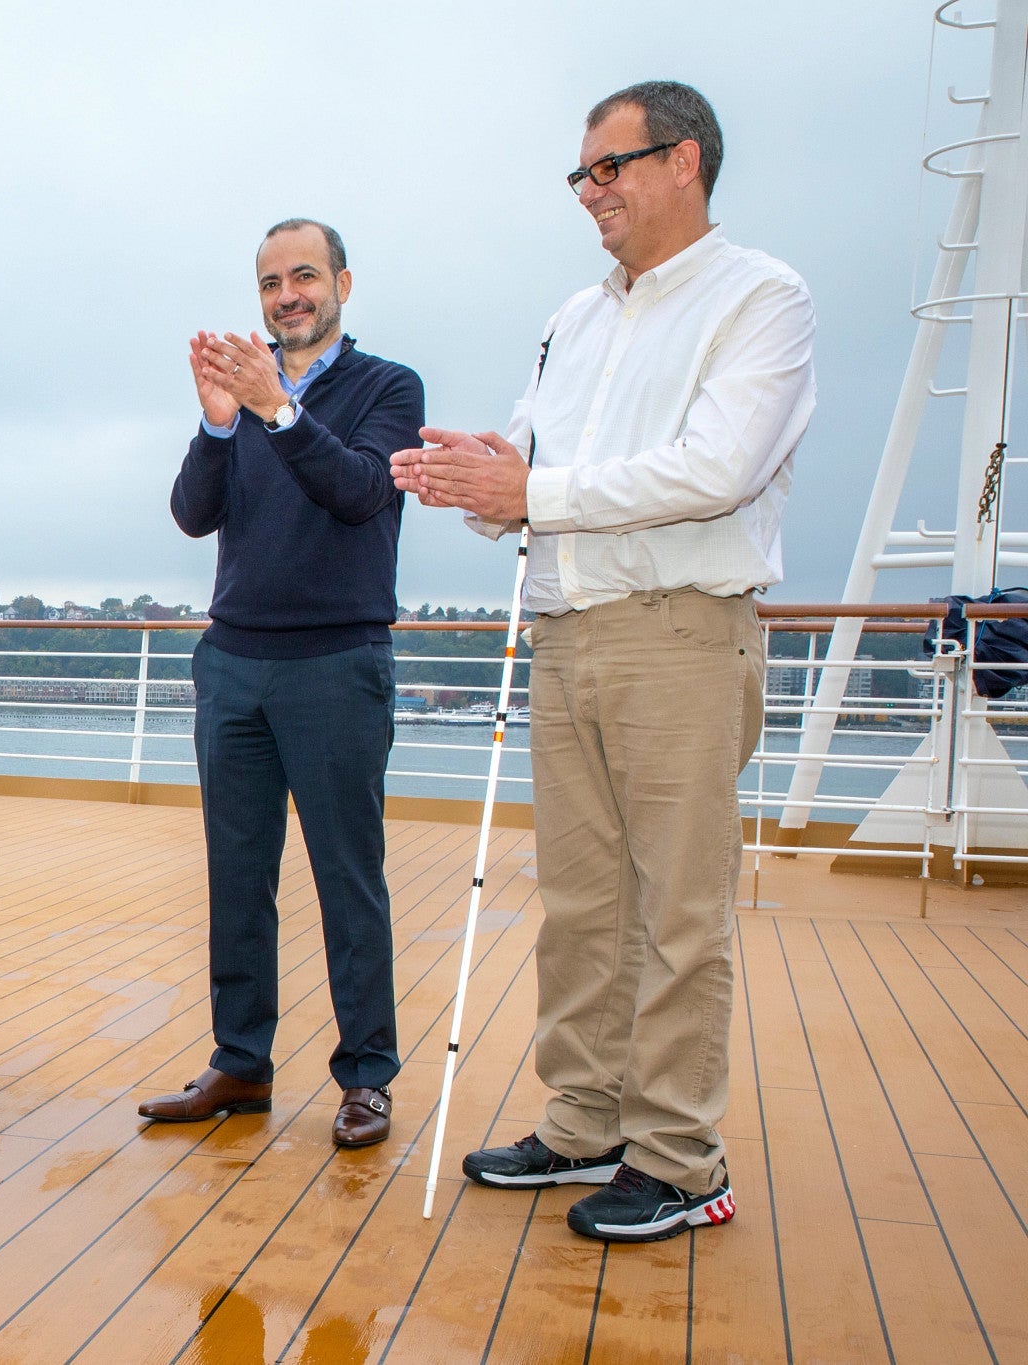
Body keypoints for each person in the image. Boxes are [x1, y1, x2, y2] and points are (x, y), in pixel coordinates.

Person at [391, 81, 814, 1241]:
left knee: (679, 912)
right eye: (579, 175)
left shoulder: (760, 299)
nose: (589, 193)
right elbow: (535, 459)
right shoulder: (572, 318)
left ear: (683, 163)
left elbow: (712, 468)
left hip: (679, 632)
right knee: (578, 904)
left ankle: (679, 1158)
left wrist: (531, 489)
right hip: (566, 638)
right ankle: (584, 1120)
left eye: (607, 169)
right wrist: (477, 476)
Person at [138, 219, 424, 1149]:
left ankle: (366, 1076)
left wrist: (276, 409)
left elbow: (357, 491)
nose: (286, 295)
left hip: (337, 662)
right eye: (269, 282)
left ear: (343, 281)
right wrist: (219, 423)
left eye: (304, 275)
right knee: (237, 873)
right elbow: (191, 515)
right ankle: (241, 1063)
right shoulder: (243, 392)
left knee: (349, 877)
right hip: (234, 662)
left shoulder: (387, 387)